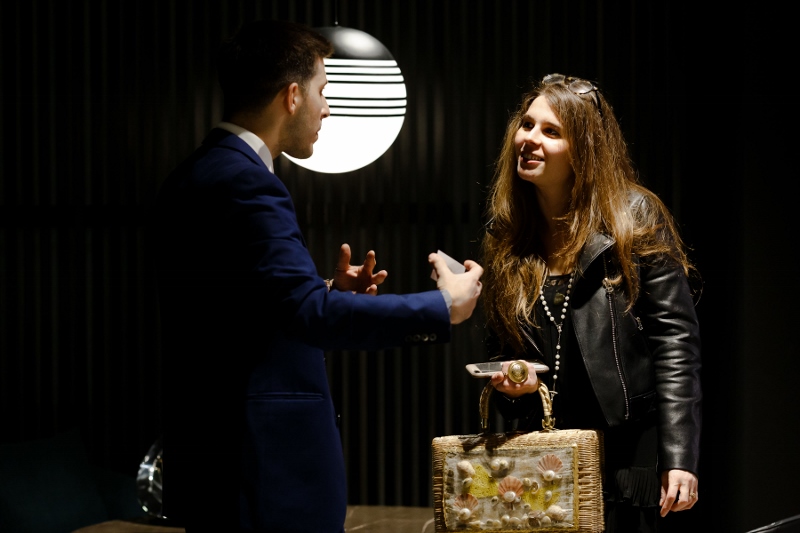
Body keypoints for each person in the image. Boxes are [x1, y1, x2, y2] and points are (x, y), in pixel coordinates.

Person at [149, 19, 483, 533]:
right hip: (261, 473)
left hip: (218, 463)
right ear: (291, 96)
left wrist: (326, 290)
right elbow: (307, 314)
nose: (326, 108)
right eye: (323, 91)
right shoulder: (245, 182)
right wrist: (443, 306)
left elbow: (232, 311)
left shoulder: (195, 173)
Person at [478, 73, 702, 532]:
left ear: (584, 149)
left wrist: (680, 456)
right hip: (546, 454)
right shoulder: (506, 233)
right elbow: (502, 351)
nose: (529, 139)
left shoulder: (635, 216)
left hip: (628, 450)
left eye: (551, 131)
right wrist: (513, 382)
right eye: (527, 124)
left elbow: (676, 345)